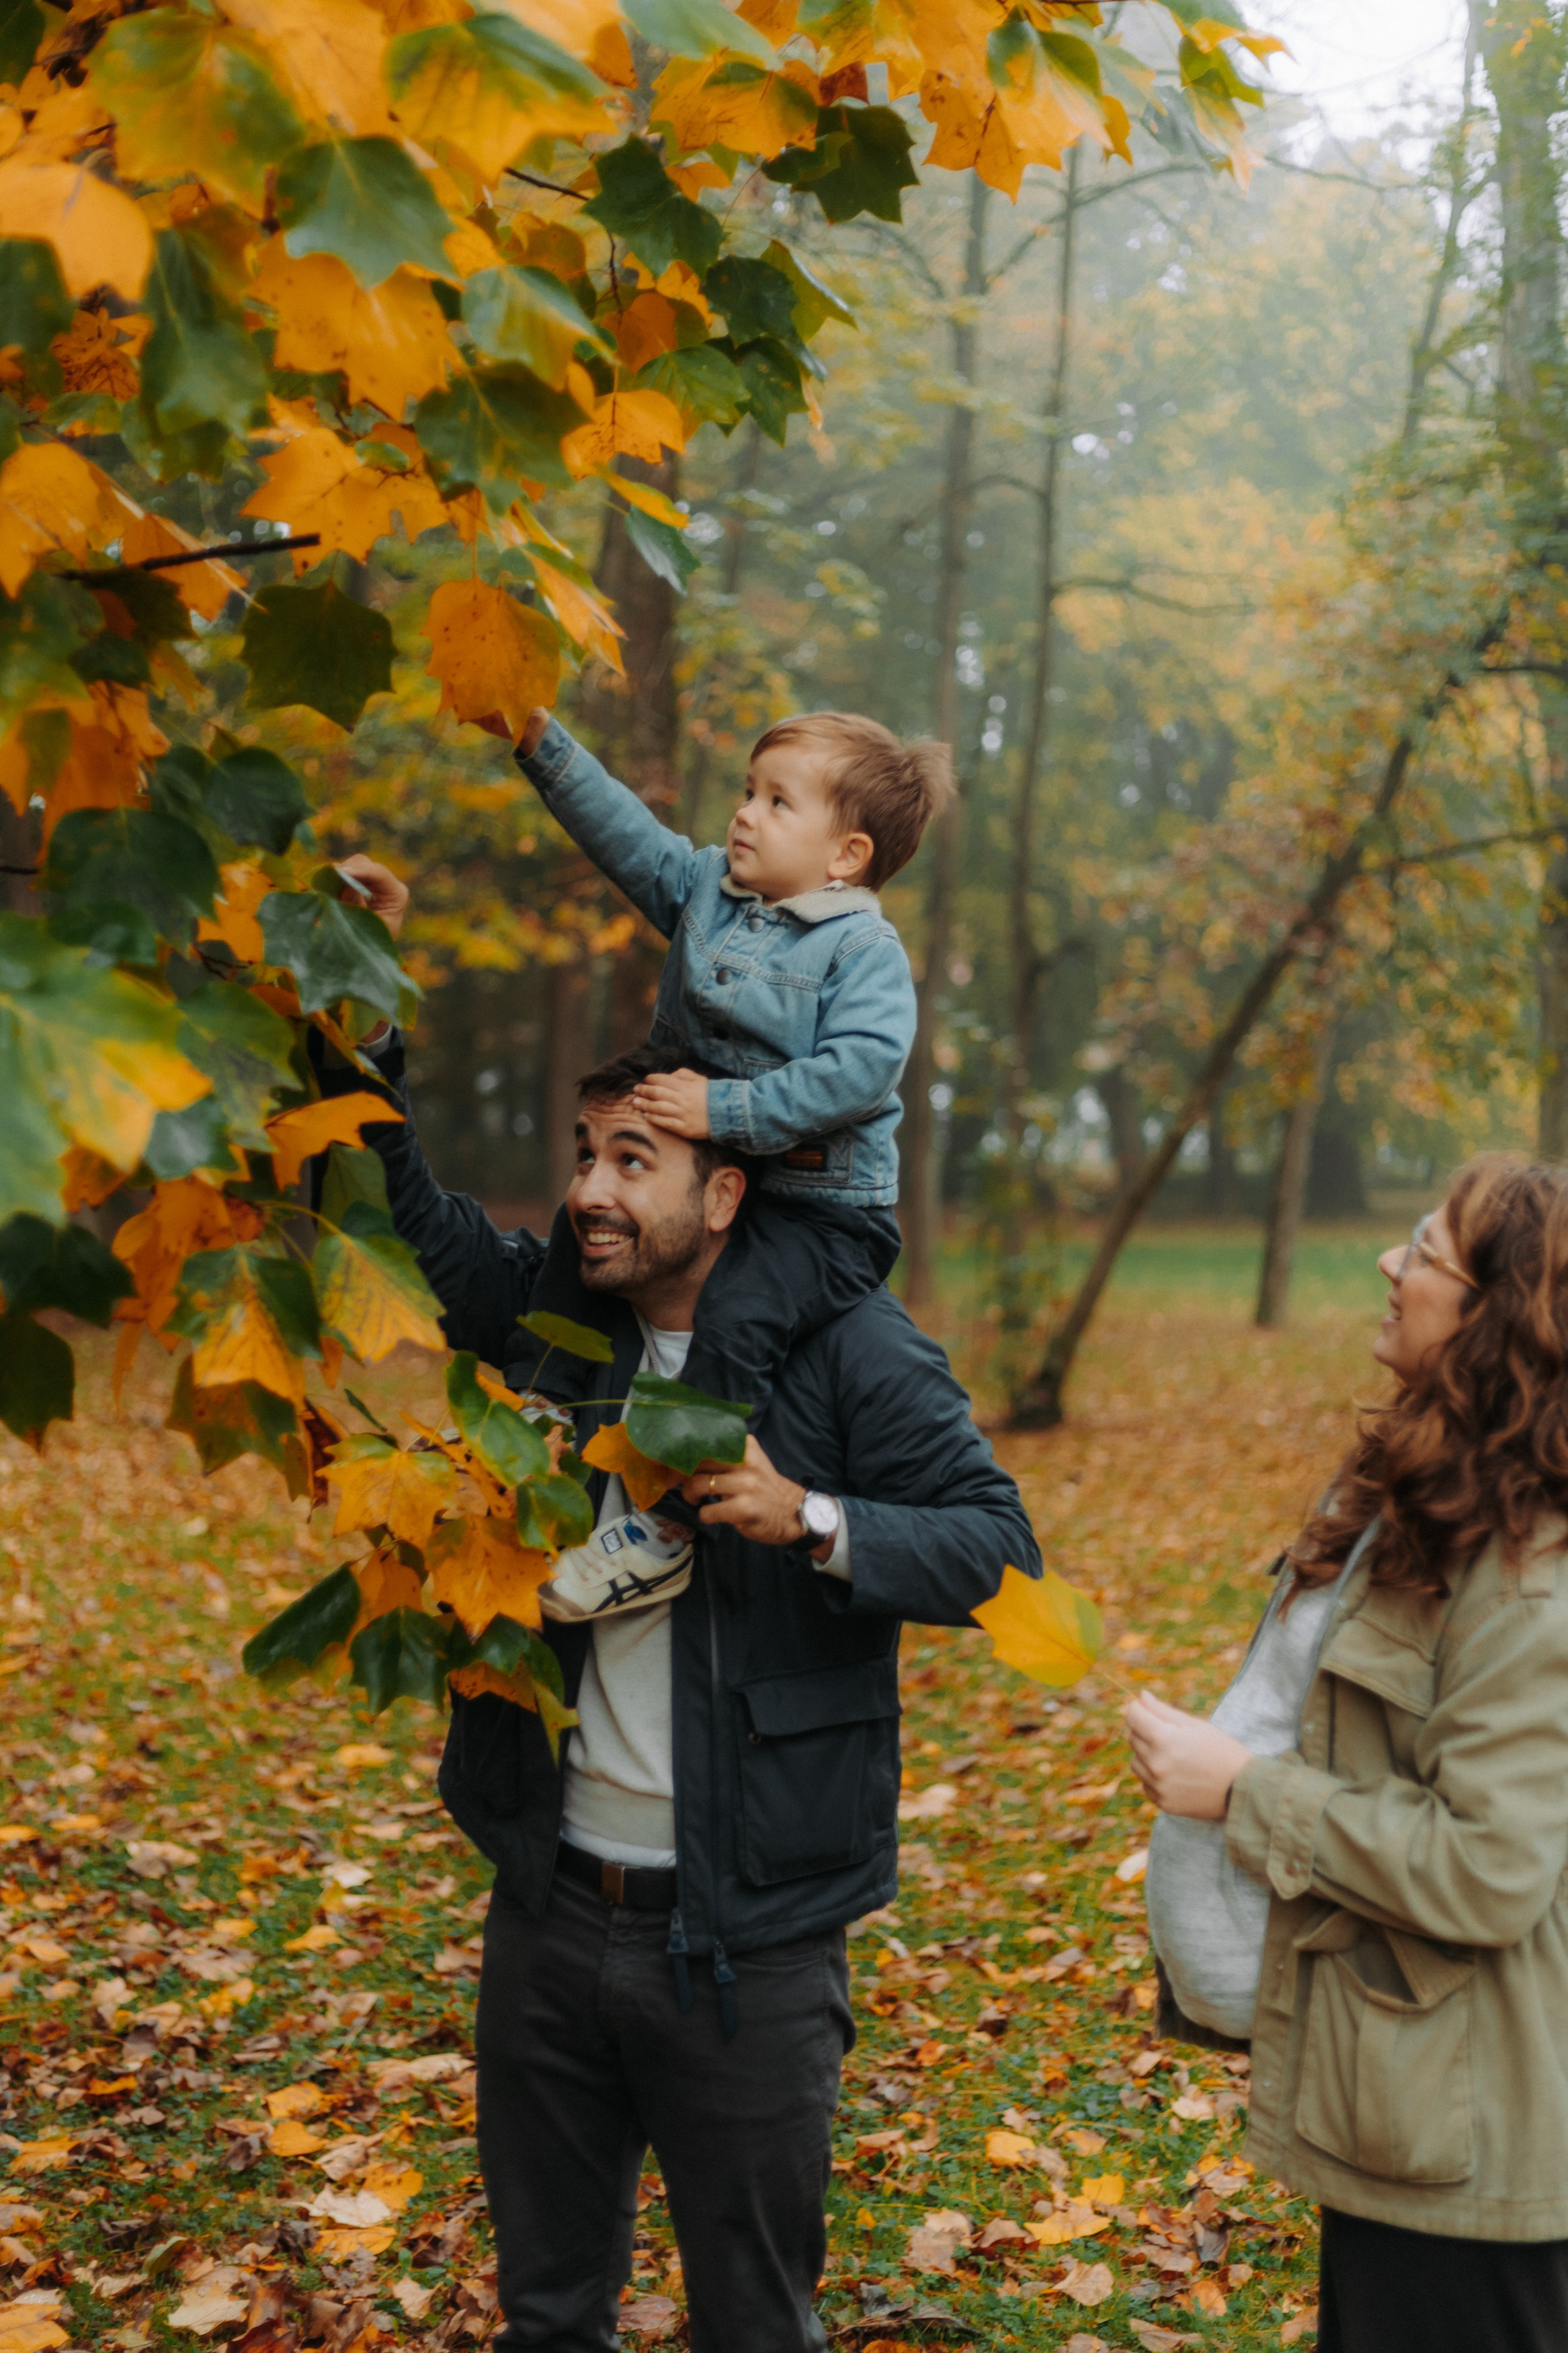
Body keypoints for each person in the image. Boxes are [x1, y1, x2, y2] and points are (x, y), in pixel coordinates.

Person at [315, 867, 1040, 2353]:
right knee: (546, 2316)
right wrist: (360, 1012)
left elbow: (993, 1547)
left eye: (630, 1158)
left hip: (748, 1955)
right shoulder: (564, 1329)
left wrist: (813, 1520)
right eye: (584, 1153)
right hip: (548, 1918)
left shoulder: (846, 1354)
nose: (587, 1189)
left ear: (721, 1186)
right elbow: (421, 1220)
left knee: (752, 2326)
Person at [1125, 1158, 1568, 2353]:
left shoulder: (1522, 1577)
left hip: (1471, 2142)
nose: (1387, 1263)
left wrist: (1244, 1795)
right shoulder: (1426, 1499)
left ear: (1492, 1317)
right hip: (1403, 2103)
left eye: (1421, 1253)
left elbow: (1489, 1865)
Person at [481, 701, 952, 1414]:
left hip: (818, 1214)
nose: (745, 814)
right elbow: (625, 835)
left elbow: (858, 1071)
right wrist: (538, 739)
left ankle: (676, 1492)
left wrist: (723, 1109)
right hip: (716, 1182)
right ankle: (538, 1401)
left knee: (737, 1318)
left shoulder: (861, 949)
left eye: (777, 802)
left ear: (845, 855)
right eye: (746, 791)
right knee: (576, 1243)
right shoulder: (708, 891)